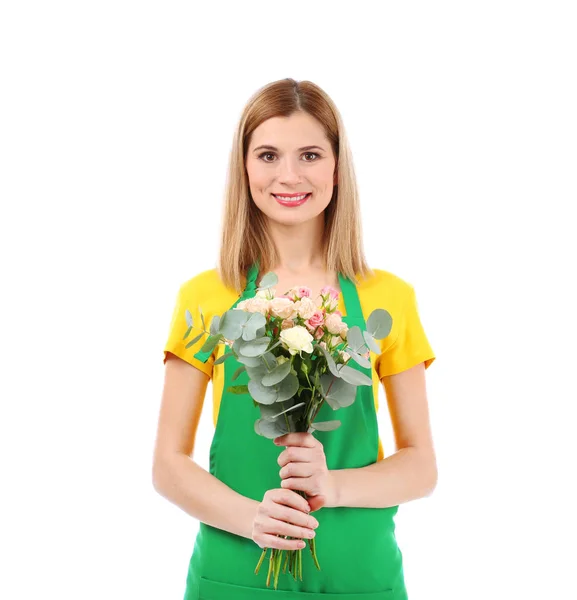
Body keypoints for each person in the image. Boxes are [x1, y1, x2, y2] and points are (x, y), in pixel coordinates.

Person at [152, 78, 437, 600]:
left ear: (336, 167)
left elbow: (421, 466)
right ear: (244, 168)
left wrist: (333, 486)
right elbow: (167, 465)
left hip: (359, 575)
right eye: (267, 155)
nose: (288, 175)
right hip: (237, 573)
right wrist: (253, 518)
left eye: (309, 154)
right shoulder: (206, 297)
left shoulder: (388, 299)